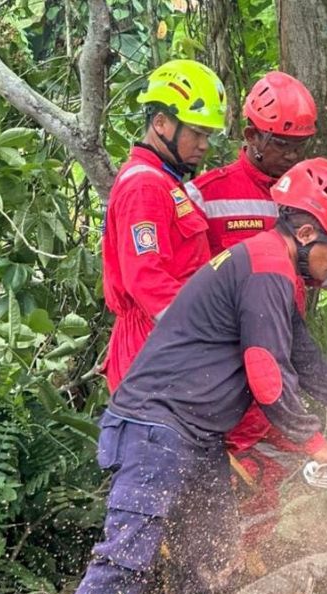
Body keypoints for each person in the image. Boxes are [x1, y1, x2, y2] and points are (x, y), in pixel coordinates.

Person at [71, 157, 327, 594]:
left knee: (213, 564)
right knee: (123, 561)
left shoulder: (271, 267)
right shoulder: (265, 269)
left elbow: (306, 361)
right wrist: (314, 443)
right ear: (307, 234)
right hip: (156, 427)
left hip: (196, 436)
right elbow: (266, 370)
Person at [183, 71, 327, 556]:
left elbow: (321, 264)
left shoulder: (306, 195)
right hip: (225, 363)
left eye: (299, 145)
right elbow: (186, 284)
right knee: (227, 472)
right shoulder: (209, 194)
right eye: (282, 144)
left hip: (278, 347)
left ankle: (247, 564)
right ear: (251, 136)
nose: (291, 156)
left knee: (271, 465)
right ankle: (210, 570)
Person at [100, 59, 226, 393]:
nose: (204, 145)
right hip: (151, 349)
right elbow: (146, 280)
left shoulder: (167, 182)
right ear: (161, 123)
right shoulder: (145, 187)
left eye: (208, 135)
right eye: (197, 133)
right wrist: (206, 331)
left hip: (166, 344)